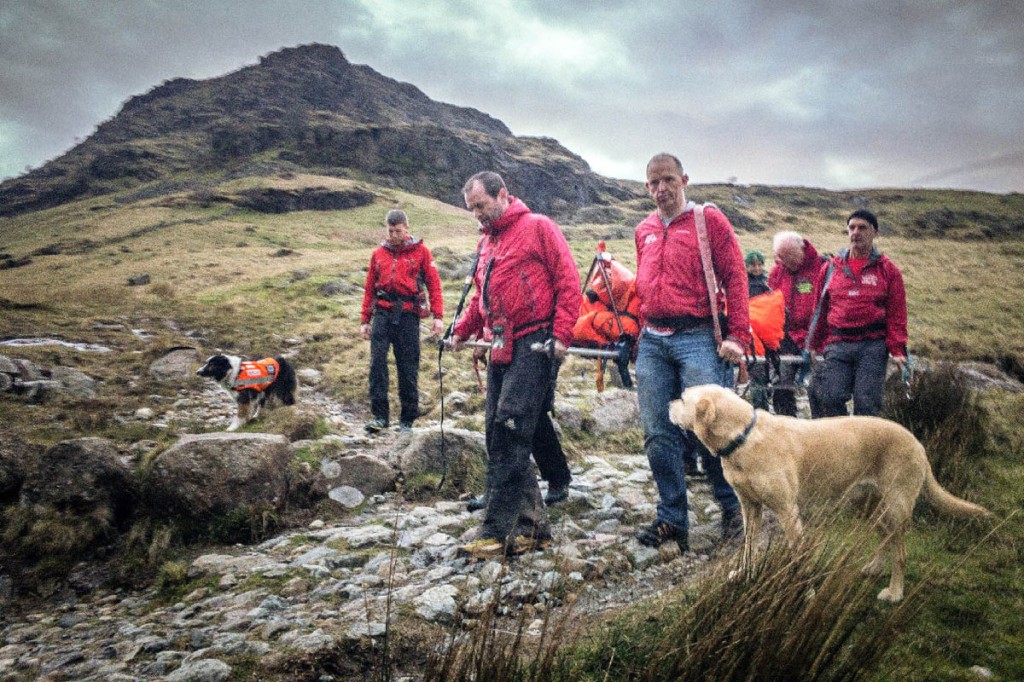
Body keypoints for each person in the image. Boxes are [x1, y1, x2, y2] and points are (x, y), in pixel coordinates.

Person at [450, 171, 582, 557]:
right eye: (472, 209)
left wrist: (561, 334)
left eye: (481, 206)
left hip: (537, 340)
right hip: (502, 343)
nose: (478, 215)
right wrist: (463, 330)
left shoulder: (539, 227)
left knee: (510, 426)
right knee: (498, 428)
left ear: (503, 195)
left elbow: (567, 280)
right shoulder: (487, 243)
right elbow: (482, 297)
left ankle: (505, 531)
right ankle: (530, 525)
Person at [633, 153, 749, 552]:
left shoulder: (707, 221)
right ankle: (672, 520)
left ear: (684, 180)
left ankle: (734, 509)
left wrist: (738, 336)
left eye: (668, 180)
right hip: (652, 339)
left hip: (698, 336)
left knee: (711, 428)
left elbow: (735, 276)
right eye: (653, 183)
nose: (661, 189)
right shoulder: (644, 229)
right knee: (657, 432)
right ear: (647, 187)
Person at [808, 209, 907, 417]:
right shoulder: (830, 269)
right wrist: (814, 344)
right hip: (838, 344)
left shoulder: (888, 270)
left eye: (862, 228)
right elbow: (819, 309)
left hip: (872, 346)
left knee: (866, 403)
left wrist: (897, 349)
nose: (856, 232)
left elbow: (897, 313)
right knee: (829, 396)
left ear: (875, 233)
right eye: (851, 228)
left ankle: (866, 448)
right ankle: (843, 444)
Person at [360, 209, 444, 432]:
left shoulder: (422, 253)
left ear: (407, 228)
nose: (394, 235)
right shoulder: (378, 254)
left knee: (407, 367)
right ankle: (380, 417)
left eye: (398, 231)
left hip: (409, 315)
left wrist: (438, 316)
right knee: (377, 364)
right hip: (383, 313)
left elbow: (434, 285)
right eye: (390, 231)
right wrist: (365, 320)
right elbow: (369, 288)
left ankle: (407, 420)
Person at [767, 231, 824, 416]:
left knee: (820, 389)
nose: (782, 262)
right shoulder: (777, 272)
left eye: (787, 256)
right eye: (780, 257)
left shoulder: (823, 268)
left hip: (817, 337)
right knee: (782, 386)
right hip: (786, 337)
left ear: (802, 250)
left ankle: (822, 430)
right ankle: (786, 427)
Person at [744, 249, 772, 410]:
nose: (756, 268)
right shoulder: (743, 284)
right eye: (752, 265)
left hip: (767, 333)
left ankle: (765, 404)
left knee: (766, 373)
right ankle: (760, 409)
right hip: (751, 334)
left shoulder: (767, 284)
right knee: (756, 373)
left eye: (759, 264)